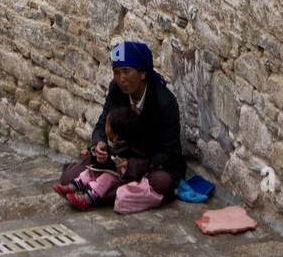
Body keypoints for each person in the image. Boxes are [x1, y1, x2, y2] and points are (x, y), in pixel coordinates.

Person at [55, 39, 186, 207]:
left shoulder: (164, 102)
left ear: (142, 73)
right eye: (117, 73)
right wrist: (99, 144)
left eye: (126, 71)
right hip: (117, 159)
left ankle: (96, 191)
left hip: (148, 163)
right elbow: (102, 125)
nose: (121, 78)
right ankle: (111, 191)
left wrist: (133, 165)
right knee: (68, 177)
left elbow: (171, 151)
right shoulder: (117, 91)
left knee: (162, 182)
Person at [55, 107, 149, 208]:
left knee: (106, 178)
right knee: (89, 172)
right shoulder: (116, 144)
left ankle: (88, 198)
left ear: (116, 135)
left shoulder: (130, 148)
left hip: (118, 177)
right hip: (109, 170)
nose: (105, 128)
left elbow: (135, 165)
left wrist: (125, 166)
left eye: (107, 126)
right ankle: (73, 186)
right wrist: (92, 154)